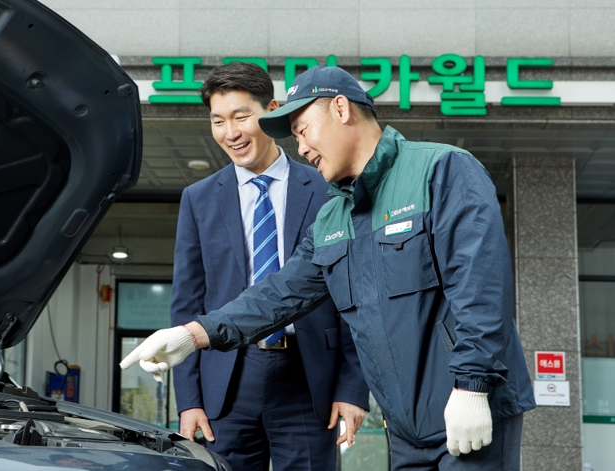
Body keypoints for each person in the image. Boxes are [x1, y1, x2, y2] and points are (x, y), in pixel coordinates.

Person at [121, 66, 536, 470]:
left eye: (303, 130)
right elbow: (280, 293)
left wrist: (472, 385)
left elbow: (481, 289)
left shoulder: (442, 170)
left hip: (466, 409)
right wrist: (193, 335)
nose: (301, 148)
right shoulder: (336, 213)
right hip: (406, 429)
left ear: (340, 109)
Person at [166, 62, 369, 471]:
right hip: (225, 380)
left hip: (309, 379)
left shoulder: (327, 187)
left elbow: (353, 294)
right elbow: (187, 301)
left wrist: (352, 388)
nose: (231, 132)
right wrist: (188, 400)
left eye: (241, 116)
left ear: (272, 110)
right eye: (218, 121)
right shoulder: (198, 199)